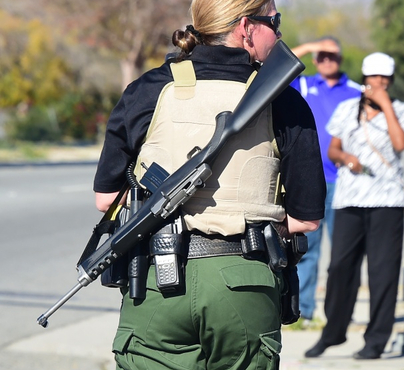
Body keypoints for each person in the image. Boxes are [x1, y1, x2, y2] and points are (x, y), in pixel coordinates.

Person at [92, 0, 326, 368]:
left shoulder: (149, 90)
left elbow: (106, 199)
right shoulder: (285, 102)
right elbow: (307, 218)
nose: (279, 32)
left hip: (155, 279)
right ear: (246, 28)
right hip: (245, 281)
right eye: (274, 21)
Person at [303, 52, 404, 360]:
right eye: (373, 77)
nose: (377, 83)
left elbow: (400, 144)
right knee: (339, 267)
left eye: (384, 78)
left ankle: (376, 340)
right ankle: (333, 332)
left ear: (390, 81)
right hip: (350, 198)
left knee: (383, 272)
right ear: (365, 79)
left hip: (387, 201)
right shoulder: (347, 108)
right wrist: (347, 159)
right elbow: (333, 148)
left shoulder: (403, 111)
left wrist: (387, 106)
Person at [289, 36, 362, 325]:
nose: (326, 60)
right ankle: (305, 312)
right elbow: (271, 65)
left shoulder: (356, 92)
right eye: (321, 56)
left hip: (346, 182)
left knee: (345, 253)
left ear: (341, 59)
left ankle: (341, 313)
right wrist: (309, 47)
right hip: (311, 181)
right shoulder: (305, 85)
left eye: (332, 56)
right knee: (308, 250)